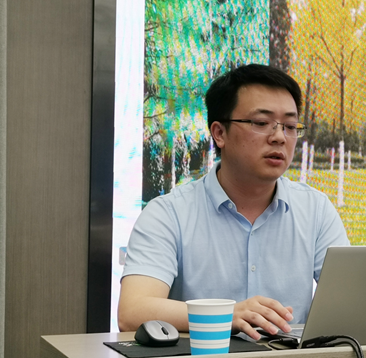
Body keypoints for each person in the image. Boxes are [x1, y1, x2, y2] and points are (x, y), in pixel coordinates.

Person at [118, 64, 349, 339]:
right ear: (219, 133)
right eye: (261, 123)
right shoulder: (168, 214)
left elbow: (352, 303)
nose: (279, 137)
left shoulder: (316, 210)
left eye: (289, 126)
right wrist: (226, 315)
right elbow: (133, 311)